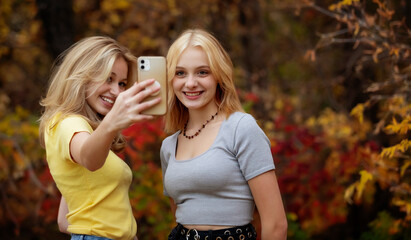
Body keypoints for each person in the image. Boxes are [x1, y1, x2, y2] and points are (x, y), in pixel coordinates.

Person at [160, 29, 288, 240]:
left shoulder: (241, 128)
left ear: (219, 76)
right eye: (180, 73)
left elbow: (276, 224)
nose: (190, 83)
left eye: (202, 72)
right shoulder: (168, 145)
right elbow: (179, 214)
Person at [39, 36, 161, 240]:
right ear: (81, 75)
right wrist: (112, 122)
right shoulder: (68, 122)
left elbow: (64, 220)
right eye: (108, 79)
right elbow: (89, 159)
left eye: (122, 83)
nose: (116, 92)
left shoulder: (83, 130)